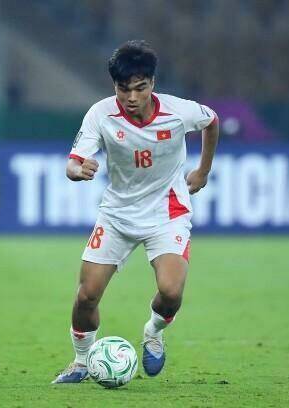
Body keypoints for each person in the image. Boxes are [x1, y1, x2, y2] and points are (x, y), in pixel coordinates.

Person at [52, 41, 219, 383]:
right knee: (86, 295)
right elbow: (73, 162)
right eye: (123, 88)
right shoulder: (100, 114)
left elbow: (212, 121)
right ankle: (81, 361)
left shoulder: (178, 111)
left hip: (167, 213)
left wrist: (203, 171)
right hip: (117, 215)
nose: (131, 97)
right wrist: (77, 170)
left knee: (171, 292)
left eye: (140, 88)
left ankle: (153, 332)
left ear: (152, 83)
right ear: (114, 85)